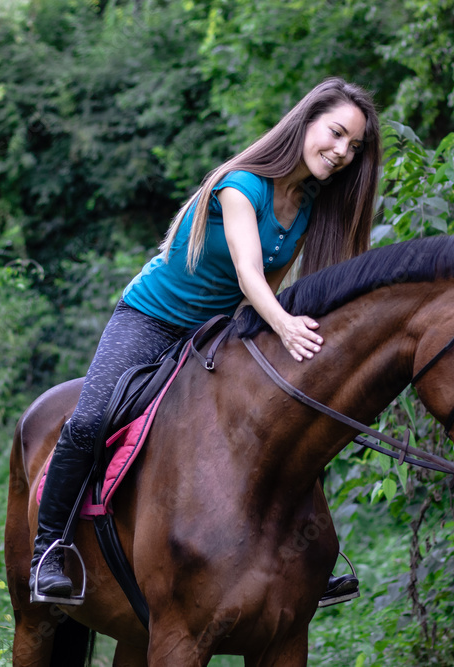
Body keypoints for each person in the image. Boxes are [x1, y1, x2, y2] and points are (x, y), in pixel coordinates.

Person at [30, 77, 382, 607]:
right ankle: (48, 551)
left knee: (293, 410)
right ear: (306, 122)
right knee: (90, 418)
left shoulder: (306, 204)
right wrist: (284, 326)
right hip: (152, 317)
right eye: (336, 134)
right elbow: (249, 274)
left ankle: (305, 556)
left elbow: (270, 285)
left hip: (215, 328)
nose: (341, 153)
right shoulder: (242, 185)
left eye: (353, 148)